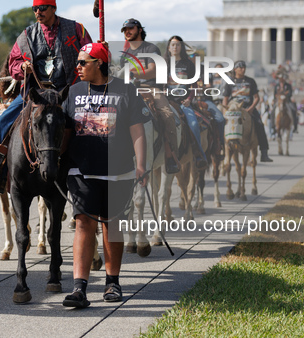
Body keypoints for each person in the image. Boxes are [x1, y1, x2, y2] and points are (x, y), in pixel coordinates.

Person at [0, 0, 92, 193]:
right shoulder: (26, 35)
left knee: (87, 125)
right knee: (3, 121)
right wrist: (22, 68)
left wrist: (100, 49)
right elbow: (12, 64)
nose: (38, 12)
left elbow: (91, 52)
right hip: (35, 94)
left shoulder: (76, 29)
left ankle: (91, 170)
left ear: (53, 8)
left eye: (42, 8)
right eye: (34, 9)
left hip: (67, 91)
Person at [61, 43, 148, 308]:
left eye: (83, 62)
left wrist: (141, 164)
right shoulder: (74, 92)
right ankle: (79, 288)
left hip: (118, 170)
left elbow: (137, 130)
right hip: (81, 171)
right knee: (84, 223)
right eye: (77, 62)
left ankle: (113, 282)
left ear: (99, 63)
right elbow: (64, 134)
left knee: (112, 224)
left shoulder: (125, 90)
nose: (77, 67)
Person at [119, 18, 179, 173]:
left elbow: (152, 70)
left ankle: (171, 156)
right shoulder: (124, 55)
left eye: (130, 28)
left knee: (168, 116)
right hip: (130, 92)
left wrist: (131, 71)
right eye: (125, 30)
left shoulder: (151, 48)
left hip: (151, 90)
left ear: (139, 30)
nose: (127, 32)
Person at [163, 35, 207, 168]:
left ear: (181, 47)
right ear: (169, 48)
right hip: (167, 102)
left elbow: (194, 86)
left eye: (177, 45)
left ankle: (198, 153)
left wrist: (189, 99)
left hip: (183, 103)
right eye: (172, 45)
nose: (175, 47)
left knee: (193, 123)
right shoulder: (163, 64)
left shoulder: (188, 64)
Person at [222, 60, 273, 162]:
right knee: (222, 125)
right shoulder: (229, 82)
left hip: (248, 108)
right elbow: (225, 99)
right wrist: (225, 111)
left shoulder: (250, 81)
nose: (243, 69)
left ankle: (264, 151)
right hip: (234, 110)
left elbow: (257, 98)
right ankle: (222, 149)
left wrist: (251, 109)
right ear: (235, 69)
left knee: (259, 124)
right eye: (240, 67)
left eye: (244, 67)